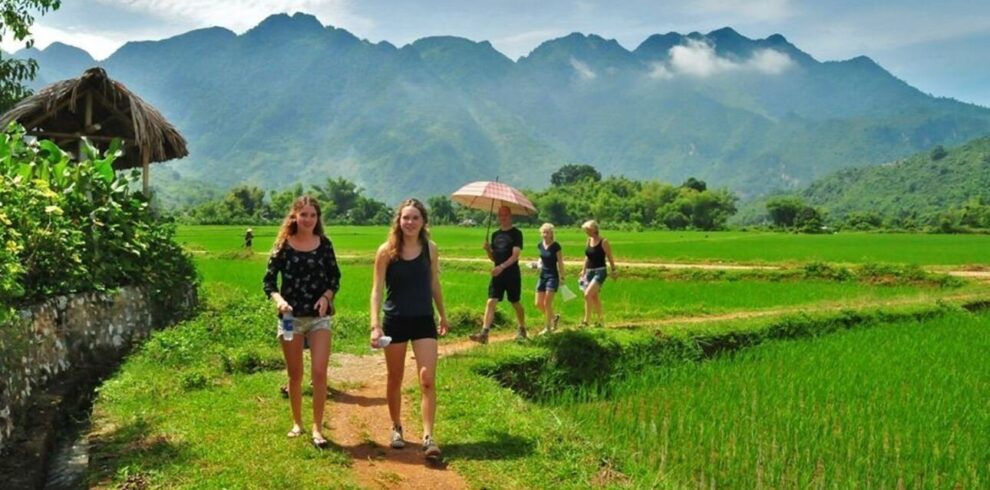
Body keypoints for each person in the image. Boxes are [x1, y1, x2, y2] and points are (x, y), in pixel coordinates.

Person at [370, 198, 450, 461]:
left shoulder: (430, 249)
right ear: (399, 220)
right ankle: (396, 427)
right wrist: (375, 325)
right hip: (395, 320)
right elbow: (377, 290)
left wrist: (443, 314)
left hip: (423, 320)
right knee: (395, 377)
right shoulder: (386, 251)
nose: (410, 222)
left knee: (427, 379)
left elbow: (434, 282)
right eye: (406, 217)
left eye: (415, 218)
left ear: (423, 221)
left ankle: (428, 437)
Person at [263, 196, 340, 449]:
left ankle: (318, 427)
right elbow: (269, 282)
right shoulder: (283, 245)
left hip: (319, 319)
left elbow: (335, 278)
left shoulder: (324, 244)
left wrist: (326, 297)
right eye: (304, 214)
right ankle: (297, 423)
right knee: (295, 373)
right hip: (289, 319)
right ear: (294, 217)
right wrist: (279, 301)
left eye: (313, 215)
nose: (308, 219)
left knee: (319, 372)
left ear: (318, 219)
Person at [470, 205, 526, 344]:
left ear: (510, 216)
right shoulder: (495, 235)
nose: (503, 217)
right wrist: (488, 250)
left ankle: (522, 328)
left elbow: (515, 256)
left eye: (505, 215)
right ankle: (484, 333)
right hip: (497, 274)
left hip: (511, 273)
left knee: (515, 302)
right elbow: (494, 258)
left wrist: (502, 267)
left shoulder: (516, 233)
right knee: (491, 301)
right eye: (500, 215)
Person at [579, 220, 616, 328]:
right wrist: (583, 270)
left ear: (595, 229)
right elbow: (587, 257)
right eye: (586, 230)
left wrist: (613, 270)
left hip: (600, 271)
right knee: (594, 297)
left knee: (587, 294)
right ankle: (601, 321)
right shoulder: (588, 240)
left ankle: (586, 321)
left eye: (588, 230)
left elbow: (609, 256)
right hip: (589, 271)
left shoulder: (604, 242)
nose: (587, 232)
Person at [535, 223, 564, 335]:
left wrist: (562, 276)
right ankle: (554, 318)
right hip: (542, 275)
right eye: (543, 232)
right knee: (538, 303)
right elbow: (541, 258)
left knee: (547, 303)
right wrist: (537, 264)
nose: (545, 235)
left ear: (552, 234)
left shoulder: (556, 246)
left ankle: (547, 328)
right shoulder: (540, 245)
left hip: (553, 276)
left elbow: (560, 262)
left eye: (547, 232)